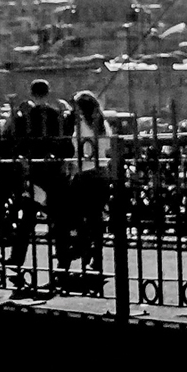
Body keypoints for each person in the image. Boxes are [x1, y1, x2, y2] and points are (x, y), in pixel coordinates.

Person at [0, 79, 73, 273]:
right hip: (55, 172)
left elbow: (11, 139)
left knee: (27, 219)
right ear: (48, 93)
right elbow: (67, 145)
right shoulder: (57, 115)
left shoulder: (26, 116)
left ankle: (16, 257)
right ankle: (63, 258)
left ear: (31, 93)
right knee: (59, 218)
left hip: (35, 173)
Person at [61, 90, 113, 276]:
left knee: (72, 212)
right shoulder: (102, 124)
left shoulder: (81, 125)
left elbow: (79, 151)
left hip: (86, 173)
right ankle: (96, 256)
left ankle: (82, 247)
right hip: (102, 172)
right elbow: (106, 148)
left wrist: (72, 167)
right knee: (95, 217)